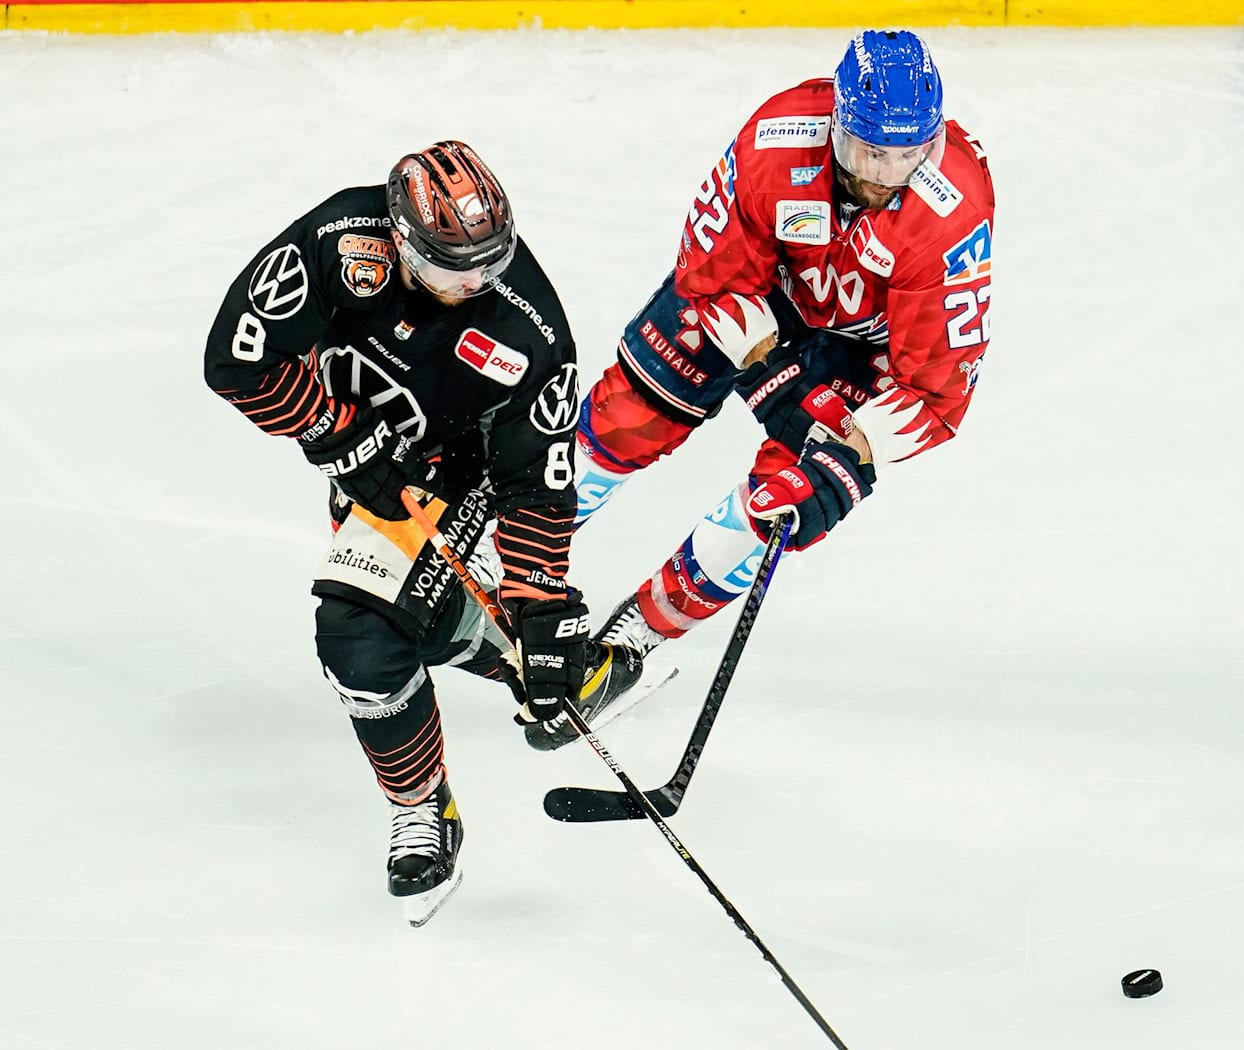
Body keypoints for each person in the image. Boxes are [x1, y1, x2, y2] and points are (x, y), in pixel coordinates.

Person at [204, 141, 642, 926]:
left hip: (459, 464)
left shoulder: (530, 329)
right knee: (408, 616)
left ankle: (423, 808)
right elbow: (235, 359)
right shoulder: (342, 244)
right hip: (365, 448)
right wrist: (333, 430)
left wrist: (540, 606)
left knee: (361, 636)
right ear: (403, 242)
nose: (472, 283)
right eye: (450, 268)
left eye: (487, 263)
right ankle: (564, 673)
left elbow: (537, 478)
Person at [528, 29, 996, 748]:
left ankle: (634, 642)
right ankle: (518, 553)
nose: (887, 174)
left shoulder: (951, 210)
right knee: (635, 412)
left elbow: (935, 384)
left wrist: (856, 453)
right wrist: (771, 375)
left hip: (859, 350)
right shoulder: (776, 143)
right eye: (871, 151)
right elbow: (713, 275)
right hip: (759, 299)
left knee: (778, 503)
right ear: (838, 122)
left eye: (908, 154)